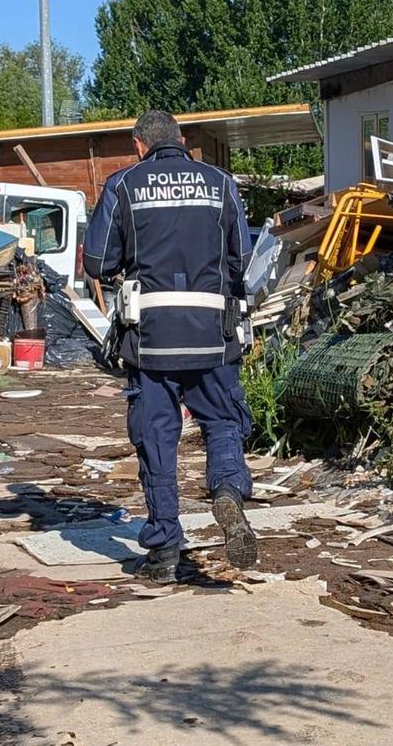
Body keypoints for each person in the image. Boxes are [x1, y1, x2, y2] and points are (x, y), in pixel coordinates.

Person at [83, 110, 257, 583]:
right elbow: (242, 260)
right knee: (222, 422)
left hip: (151, 339)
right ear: (183, 140)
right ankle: (226, 490)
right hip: (214, 336)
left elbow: (98, 262)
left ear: (139, 145)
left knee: (157, 441)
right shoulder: (220, 183)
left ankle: (163, 554)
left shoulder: (123, 185)